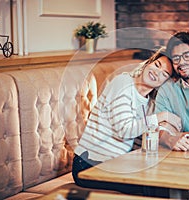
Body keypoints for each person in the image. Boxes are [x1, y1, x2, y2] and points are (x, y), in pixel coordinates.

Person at [72, 47, 182, 196]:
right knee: (155, 188)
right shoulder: (123, 83)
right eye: (157, 65)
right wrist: (161, 117)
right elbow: (125, 130)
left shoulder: (149, 104)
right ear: (148, 63)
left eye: (164, 74)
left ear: (165, 82)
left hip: (116, 164)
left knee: (170, 180)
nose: (157, 72)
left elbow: (141, 138)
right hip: (88, 164)